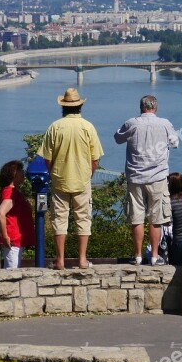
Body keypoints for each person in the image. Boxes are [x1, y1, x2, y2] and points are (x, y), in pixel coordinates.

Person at [38, 88, 104, 270]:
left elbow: (47, 158)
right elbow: (95, 158)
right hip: (82, 180)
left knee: (59, 219)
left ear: (63, 107)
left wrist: (53, 173)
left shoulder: (55, 127)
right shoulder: (88, 127)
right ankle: (82, 260)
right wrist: (87, 174)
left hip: (60, 179)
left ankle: (60, 260)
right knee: (83, 219)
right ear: (80, 106)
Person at [115, 95, 178, 266]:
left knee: (136, 217)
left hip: (135, 176)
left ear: (140, 107)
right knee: (156, 218)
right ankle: (155, 256)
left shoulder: (132, 123)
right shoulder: (165, 124)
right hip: (158, 176)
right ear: (155, 108)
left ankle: (137, 256)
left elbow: (118, 138)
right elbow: (175, 142)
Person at [0, 160, 35, 269]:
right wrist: (5, 236)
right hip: (12, 239)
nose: (23, 173)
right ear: (13, 174)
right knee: (12, 272)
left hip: (17, 239)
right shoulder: (10, 192)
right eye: (20, 170)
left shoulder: (15, 192)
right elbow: (0, 213)